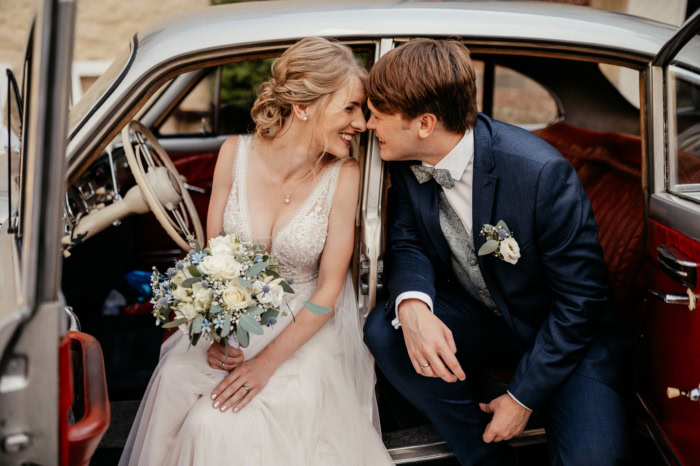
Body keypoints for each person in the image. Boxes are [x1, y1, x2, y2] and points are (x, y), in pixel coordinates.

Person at [120, 37, 392, 466]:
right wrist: (216, 334)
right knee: (173, 377)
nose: (362, 123)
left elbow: (328, 290)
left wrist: (264, 365)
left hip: (304, 333)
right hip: (236, 321)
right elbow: (211, 263)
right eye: (350, 108)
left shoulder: (346, 174)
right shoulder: (233, 154)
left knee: (213, 423)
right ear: (304, 106)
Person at [363, 39, 632, 466]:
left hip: (564, 336)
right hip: (487, 318)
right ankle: (483, 455)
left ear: (425, 123)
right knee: (387, 328)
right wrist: (413, 304)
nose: (367, 125)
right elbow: (407, 240)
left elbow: (581, 302)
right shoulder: (404, 161)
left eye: (377, 115)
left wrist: (521, 396)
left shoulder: (540, 174)